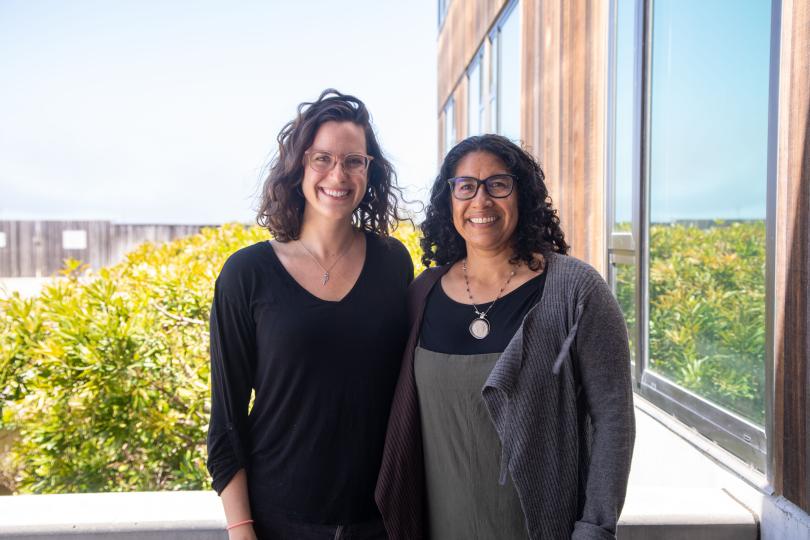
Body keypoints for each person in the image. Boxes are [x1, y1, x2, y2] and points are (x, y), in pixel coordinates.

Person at [375, 134, 635, 540]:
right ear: (450, 201)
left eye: (498, 184)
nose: (481, 201)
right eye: (466, 187)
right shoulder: (421, 294)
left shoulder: (575, 291)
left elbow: (614, 419)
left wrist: (594, 528)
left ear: (523, 195)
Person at [207, 89, 413, 540]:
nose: (338, 174)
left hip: (379, 522)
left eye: (354, 161)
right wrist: (242, 531)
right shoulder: (247, 274)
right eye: (322, 158)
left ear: (369, 171)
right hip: (279, 521)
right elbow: (226, 424)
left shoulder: (393, 263)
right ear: (298, 165)